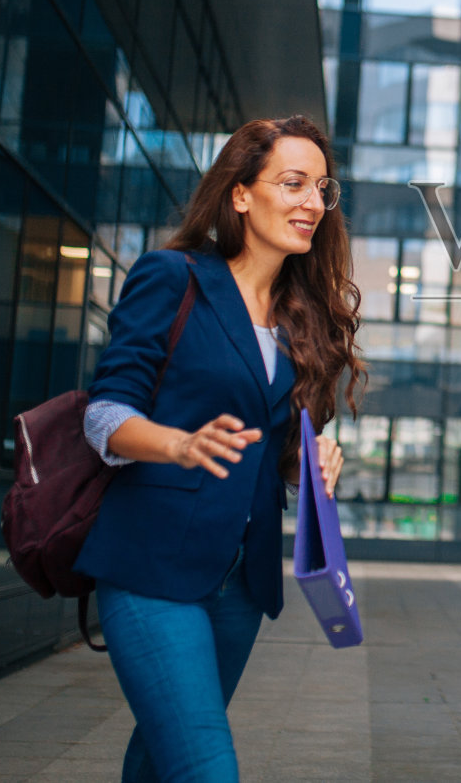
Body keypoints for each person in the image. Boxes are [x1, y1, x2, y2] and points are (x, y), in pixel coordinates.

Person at [74, 115, 364, 782]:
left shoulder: (302, 317)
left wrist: (310, 465)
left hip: (241, 583)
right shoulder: (172, 277)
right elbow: (106, 412)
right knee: (207, 767)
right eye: (293, 183)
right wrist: (177, 443)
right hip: (152, 567)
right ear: (240, 193)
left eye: (323, 188)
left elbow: (279, 450)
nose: (313, 202)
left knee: (160, 755)